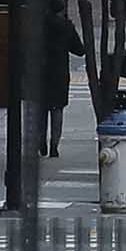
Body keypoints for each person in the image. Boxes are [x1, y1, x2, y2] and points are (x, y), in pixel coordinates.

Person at [38, 12, 87, 158]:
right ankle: (54, 145)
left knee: (41, 109)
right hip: (59, 73)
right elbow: (79, 50)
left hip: (41, 72)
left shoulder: (40, 25)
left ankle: (41, 142)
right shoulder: (66, 26)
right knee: (57, 109)